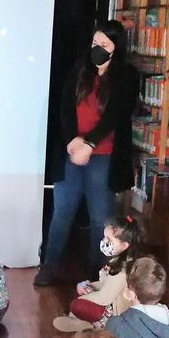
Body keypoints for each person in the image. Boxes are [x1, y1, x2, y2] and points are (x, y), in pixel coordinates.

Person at [36, 20, 140, 286]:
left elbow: (115, 116)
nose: (98, 49)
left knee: (100, 218)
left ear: (116, 47)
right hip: (72, 153)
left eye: (104, 44)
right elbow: (64, 106)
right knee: (63, 211)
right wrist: (73, 141)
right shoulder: (80, 68)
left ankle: (99, 273)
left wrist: (89, 144)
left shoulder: (127, 75)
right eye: (95, 43)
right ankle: (49, 266)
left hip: (104, 156)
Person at [52, 214, 143, 333]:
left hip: (116, 315)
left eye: (109, 240)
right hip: (111, 304)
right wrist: (90, 286)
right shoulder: (118, 261)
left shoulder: (121, 269)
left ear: (124, 245)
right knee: (82, 298)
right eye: (104, 237)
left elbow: (104, 298)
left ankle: (95, 325)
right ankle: (85, 322)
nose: (104, 241)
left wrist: (84, 297)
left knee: (77, 305)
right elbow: (106, 284)